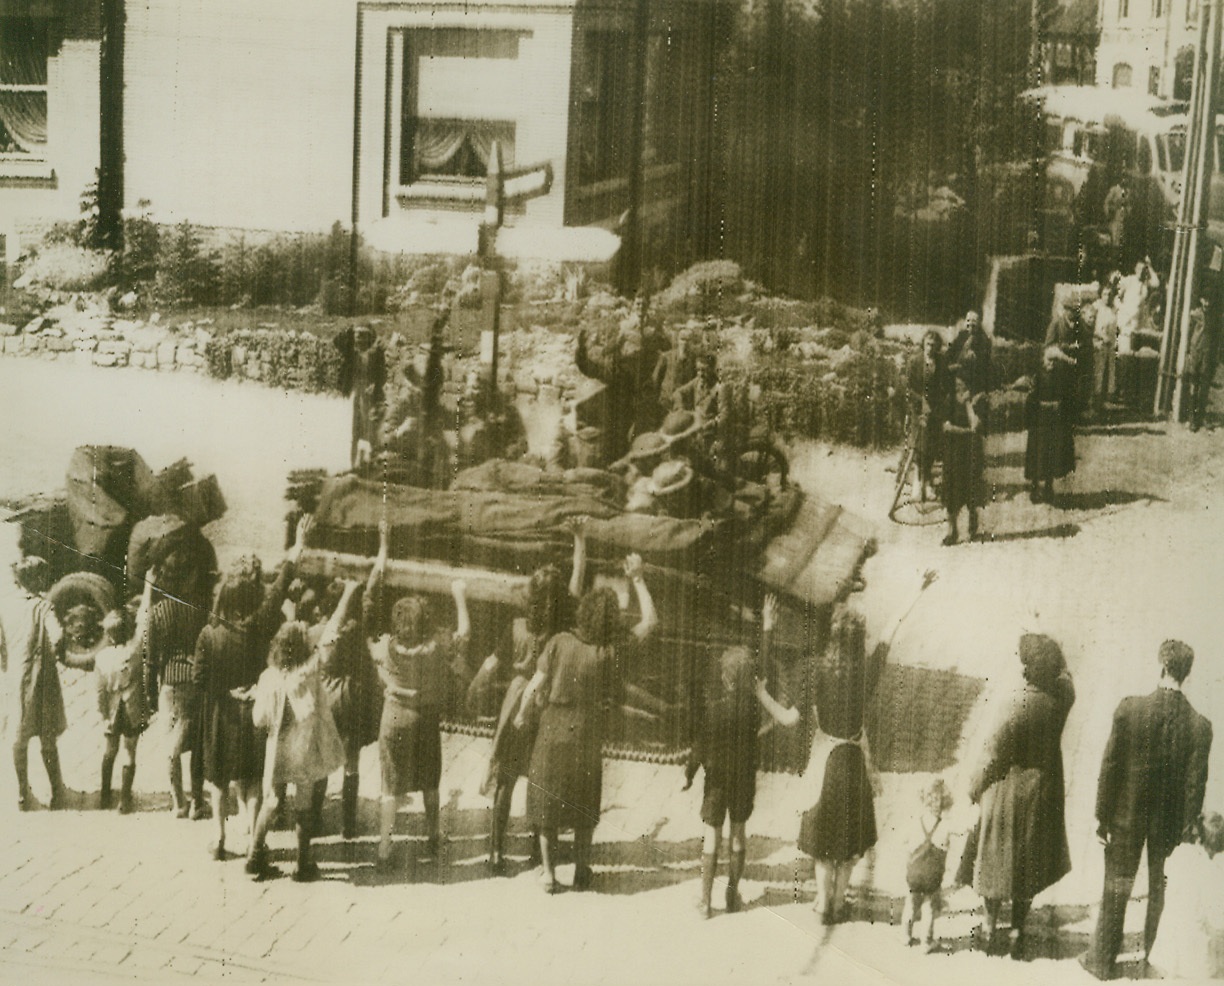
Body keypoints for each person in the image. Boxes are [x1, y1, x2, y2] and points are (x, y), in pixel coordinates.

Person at [517, 552, 658, 893]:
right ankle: (581, 871)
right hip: (587, 733)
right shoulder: (611, 651)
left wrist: (523, 713)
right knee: (583, 802)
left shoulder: (559, 642)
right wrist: (638, 578)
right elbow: (651, 622)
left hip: (552, 730)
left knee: (547, 800)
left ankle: (549, 875)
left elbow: (535, 684)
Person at [1079, 640, 1214, 980]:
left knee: (1117, 886)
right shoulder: (1200, 726)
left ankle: (1102, 960)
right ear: (1186, 673)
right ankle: (1153, 959)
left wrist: (1101, 815)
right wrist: (1187, 832)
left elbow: (1110, 766)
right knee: (1160, 893)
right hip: (1169, 826)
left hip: (1125, 818)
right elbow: (1194, 789)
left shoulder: (1130, 709)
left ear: (1162, 667)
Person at [684, 595, 799, 919]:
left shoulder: (715, 711)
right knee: (738, 832)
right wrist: (768, 628)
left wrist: (689, 773)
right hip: (744, 779)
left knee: (712, 837)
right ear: (750, 681)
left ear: (724, 678)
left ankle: (705, 903)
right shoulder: (753, 707)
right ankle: (732, 895)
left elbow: (700, 748)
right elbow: (761, 668)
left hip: (717, 781)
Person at [366, 524, 471, 870]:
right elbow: (465, 635)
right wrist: (458, 595)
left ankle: (384, 849)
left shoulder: (387, 647)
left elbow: (369, 619)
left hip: (393, 718)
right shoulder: (437, 647)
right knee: (430, 781)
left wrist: (386, 680)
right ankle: (434, 836)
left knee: (389, 787)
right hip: (425, 719)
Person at [965, 634, 1074, 958]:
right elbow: (1068, 676)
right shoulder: (1061, 698)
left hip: (1008, 792)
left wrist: (973, 788)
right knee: (1030, 863)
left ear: (1026, 668)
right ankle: (1017, 931)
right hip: (1042, 791)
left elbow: (992, 755)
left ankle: (988, 927)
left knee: (996, 863)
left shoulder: (1014, 704)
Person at [194, 532, 300, 866]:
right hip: (252, 712)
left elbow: (199, 680)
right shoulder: (259, 625)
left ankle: (218, 838)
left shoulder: (209, 634)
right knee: (252, 780)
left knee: (219, 780)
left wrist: (223, 691)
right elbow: (278, 592)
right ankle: (255, 835)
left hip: (220, 716)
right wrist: (296, 551)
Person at [248, 580, 359, 882]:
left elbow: (259, 719)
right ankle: (302, 862)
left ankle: (254, 854)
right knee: (304, 805)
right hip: (305, 747)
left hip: (276, 748)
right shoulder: (309, 670)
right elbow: (331, 631)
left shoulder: (269, 677)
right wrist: (348, 593)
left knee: (272, 800)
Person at [482, 561, 573, 874]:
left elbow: (493, 662)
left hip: (516, 700)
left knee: (505, 778)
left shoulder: (516, 626)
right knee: (540, 777)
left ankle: (495, 851)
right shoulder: (562, 634)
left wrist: (475, 683)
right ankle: (538, 847)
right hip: (546, 702)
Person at [797, 608, 879, 926]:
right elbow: (891, 634)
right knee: (848, 845)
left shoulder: (818, 671)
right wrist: (917, 590)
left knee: (823, 842)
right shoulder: (866, 675)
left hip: (825, 763)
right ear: (860, 643)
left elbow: (798, 715)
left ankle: (822, 902)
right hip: (853, 762)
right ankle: (840, 900)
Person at [12, 558, 86, 811]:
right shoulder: (43, 607)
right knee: (47, 737)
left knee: (19, 738)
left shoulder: (6, 606)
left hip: (16, 678)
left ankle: (23, 793)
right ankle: (57, 792)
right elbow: (56, 637)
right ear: (34, 580)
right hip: (41, 679)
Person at [142, 551, 211, 820]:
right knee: (196, 745)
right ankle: (197, 802)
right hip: (195, 684)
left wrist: (149, 694)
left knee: (170, 746)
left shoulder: (157, 613)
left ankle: (178, 801)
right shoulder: (202, 608)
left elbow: (149, 659)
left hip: (169, 685)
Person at [317, 579, 382, 840]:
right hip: (353, 700)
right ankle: (348, 825)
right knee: (351, 763)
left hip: (330, 700)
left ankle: (313, 815)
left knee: (321, 761)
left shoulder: (327, 634)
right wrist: (383, 549)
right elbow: (371, 595)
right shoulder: (360, 627)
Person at [95, 575, 155, 814]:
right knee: (130, 753)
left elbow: (100, 691)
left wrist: (102, 712)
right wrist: (149, 586)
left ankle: (105, 794)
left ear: (109, 636)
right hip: (132, 709)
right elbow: (144, 619)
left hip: (111, 711)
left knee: (109, 751)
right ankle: (125, 799)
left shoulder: (101, 658)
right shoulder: (135, 651)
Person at [1146, 811, 1224, 979]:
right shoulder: (1216, 872)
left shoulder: (1181, 853)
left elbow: (1167, 873)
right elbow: (1218, 920)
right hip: (1197, 958)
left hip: (1167, 949)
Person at [902, 777, 954, 952]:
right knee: (928, 907)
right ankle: (926, 942)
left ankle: (905, 935)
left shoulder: (915, 821)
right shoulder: (945, 825)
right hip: (932, 875)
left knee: (910, 903)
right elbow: (946, 846)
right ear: (945, 803)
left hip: (914, 873)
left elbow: (906, 844)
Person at [1024, 347, 1077, 505]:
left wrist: (1063, 412)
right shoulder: (1038, 377)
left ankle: (1048, 487)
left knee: (1051, 454)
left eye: (1054, 361)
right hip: (1040, 422)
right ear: (1043, 361)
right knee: (1037, 453)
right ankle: (1034, 487)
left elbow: (1067, 398)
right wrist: (1030, 420)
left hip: (1054, 422)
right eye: (1049, 361)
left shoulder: (1061, 378)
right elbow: (1031, 399)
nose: (1051, 364)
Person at [905, 330, 951, 502]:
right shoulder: (914, 362)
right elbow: (908, 389)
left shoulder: (941, 362)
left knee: (932, 448)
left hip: (935, 412)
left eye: (934, 345)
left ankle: (928, 482)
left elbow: (946, 387)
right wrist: (921, 403)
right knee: (920, 447)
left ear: (937, 346)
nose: (930, 348)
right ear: (923, 344)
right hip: (918, 411)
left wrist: (939, 407)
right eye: (928, 344)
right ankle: (918, 482)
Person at [334, 324, 387, 472]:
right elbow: (336, 341)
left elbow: (382, 375)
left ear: (369, 338)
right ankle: (353, 466)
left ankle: (371, 466)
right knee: (355, 434)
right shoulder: (352, 353)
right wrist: (350, 329)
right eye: (357, 335)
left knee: (371, 432)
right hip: (357, 396)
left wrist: (375, 385)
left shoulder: (376, 353)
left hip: (370, 397)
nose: (359, 338)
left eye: (362, 335)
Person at [940, 376, 985, 545]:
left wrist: (968, 405)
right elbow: (946, 427)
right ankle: (952, 531)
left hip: (971, 453)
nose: (960, 389)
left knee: (971, 489)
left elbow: (976, 425)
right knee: (951, 491)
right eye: (957, 386)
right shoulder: (948, 402)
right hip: (953, 453)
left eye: (962, 386)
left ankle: (973, 524)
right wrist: (966, 432)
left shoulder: (976, 403)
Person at [1185, 293, 1217, 432]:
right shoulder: (1195, 314)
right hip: (1195, 351)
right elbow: (1186, 331)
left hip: (1207, 353)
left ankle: (1202, 417)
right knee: (1194, 383)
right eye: (1205, 300)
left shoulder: (1214, 317)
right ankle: (1192, 417)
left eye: (1209, 300)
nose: (1207, 303)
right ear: (1201, 300)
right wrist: (1187, 351)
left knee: (1204, 385)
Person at [946, 311, 993, 403]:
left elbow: (983, 364)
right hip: (957, 370)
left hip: (973, 375)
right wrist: (949, 364)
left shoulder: (984, 340)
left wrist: (974, 356)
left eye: (974, 321)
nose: (970, 323)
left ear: (979, 323)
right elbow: (950, 352)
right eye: (968, 320)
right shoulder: (962, 335)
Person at [1092, 276, 1120, 411]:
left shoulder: (1114, 309)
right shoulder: (1096, 307)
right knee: (1099, 371)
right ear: (1100, 294)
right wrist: (1102, 337)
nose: (1107, 297)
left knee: (1111, 372)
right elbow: (1090, 326)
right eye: (1104, 294)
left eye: (1109, 294)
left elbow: (1117, 327)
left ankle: (1108, 401)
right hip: (1099, 342)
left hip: (1111, 343)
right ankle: (1096, 402)